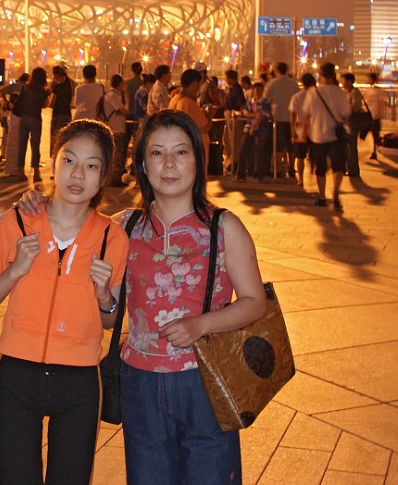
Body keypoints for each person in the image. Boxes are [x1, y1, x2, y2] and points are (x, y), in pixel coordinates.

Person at [18, 111, 267, 485]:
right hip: (140, 383)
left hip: (205, 381)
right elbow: (108, 315)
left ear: (197, 161)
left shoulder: (223, 226)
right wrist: (35, 202)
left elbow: (254, 302)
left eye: (181, 152)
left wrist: (201, 324)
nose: (169, 164)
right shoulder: (124, 227)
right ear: (143, 165)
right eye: (157, 153)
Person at [0, 119, 128, 485]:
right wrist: (15, 271)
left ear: (103, 175)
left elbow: (110, 321)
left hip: (79, 380)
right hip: (17, 372)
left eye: (92, 165)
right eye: (69, 160)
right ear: (52, 162)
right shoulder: (16, 221)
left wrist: (105, 296)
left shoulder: (113, 237)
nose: (78, 174)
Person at [303, 62, 350, 210]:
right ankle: (335, 191)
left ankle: (322, 197)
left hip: (317, 136)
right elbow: (346, 114)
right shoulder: (340, 93)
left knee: (320, 167)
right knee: (338, 165)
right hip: (336, 136)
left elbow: (306, 114)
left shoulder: (313, 92)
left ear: (321, 75)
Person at [13, 67, 51, 182]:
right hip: (35, 119)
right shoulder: (43, 91)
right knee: (35, 146)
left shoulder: (26, 88)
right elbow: (44, 105)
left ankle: (20, 171)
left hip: (24, 118)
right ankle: (36, 173)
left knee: (22, 145)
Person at [168, 68, 211, 164]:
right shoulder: (188, 103)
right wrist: (210, 114)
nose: (198, 90)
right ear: (194, 84)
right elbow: (205, 128)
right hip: (194, 151)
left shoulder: (174, 100)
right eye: (198, 86)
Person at [265, 63, 299, 178]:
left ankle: (278, 169)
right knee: (291, 145)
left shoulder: (272, 83)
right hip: (292, 118)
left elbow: (265, 98)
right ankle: (292, 168)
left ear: (276, 70)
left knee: (278, 146)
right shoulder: (293, 83)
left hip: (277, 117)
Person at [237, 82, 272, 182]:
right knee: (242, 150)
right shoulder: (250, 102)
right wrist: (255, 115)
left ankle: (259, 175)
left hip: (261, 130)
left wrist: (254, 125)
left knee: (259, 152)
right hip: (248, 129)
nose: (257, 91)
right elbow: (246, 113)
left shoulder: (265, 103)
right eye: (256, 89)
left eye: (260, 89)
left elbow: (262, 116)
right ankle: (241, 175)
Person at [288, 73, 316, 186]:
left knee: (300, 155)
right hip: (314, 127)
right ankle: (313, 173)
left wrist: (292, 131)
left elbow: (293, 115)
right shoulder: (316, 97)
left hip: (300, 127)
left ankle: (301, 179)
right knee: (314, 153)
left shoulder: (297, 96)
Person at [102, 74, 129, 186]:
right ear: (119, 84)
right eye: (123, 83)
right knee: (117, 154)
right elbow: (123, 111)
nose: (124, 86)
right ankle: (115, 179)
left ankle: (113, 178)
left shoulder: (111, 94)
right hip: (116, 128)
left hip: (115, 127)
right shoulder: (114, 95)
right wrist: (126, 105)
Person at [0, 73, 28, 174]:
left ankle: (10, 166)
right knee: (18, 142)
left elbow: (2, 91)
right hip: (21, 115)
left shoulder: (14, 86)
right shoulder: (25, 87)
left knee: (11, 141)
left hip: (12, 114)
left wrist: (6, 101)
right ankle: (16, 167)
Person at [341, 72, 364, 177]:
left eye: (344, 80)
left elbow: (355, 106)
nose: (342, 82)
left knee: (352, 147)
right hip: (347, 122)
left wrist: (345, 109)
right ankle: (350, 168)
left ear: (350, 81)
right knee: (348, 146)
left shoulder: (354, 92)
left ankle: (353, 170)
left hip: (352, 122)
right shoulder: (347, 92)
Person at [48, 65, 74, 155]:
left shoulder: (57, 87)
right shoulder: (69, 85)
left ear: (56, 75)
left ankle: (55, 156)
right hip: (67, 114)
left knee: (55, 138)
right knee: (64, 138)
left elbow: (51, 104)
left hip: (57, 115)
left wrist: (50, 90)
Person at [364, 72, 386, 160]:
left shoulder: (379, 91)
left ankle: (374, 151)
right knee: (367, 134)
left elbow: (381, 103)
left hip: (375, 116)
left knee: (375, 135)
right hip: (369, 115)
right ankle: (374, 149)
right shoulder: (368, 90)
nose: (367, 80)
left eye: (368, 78)